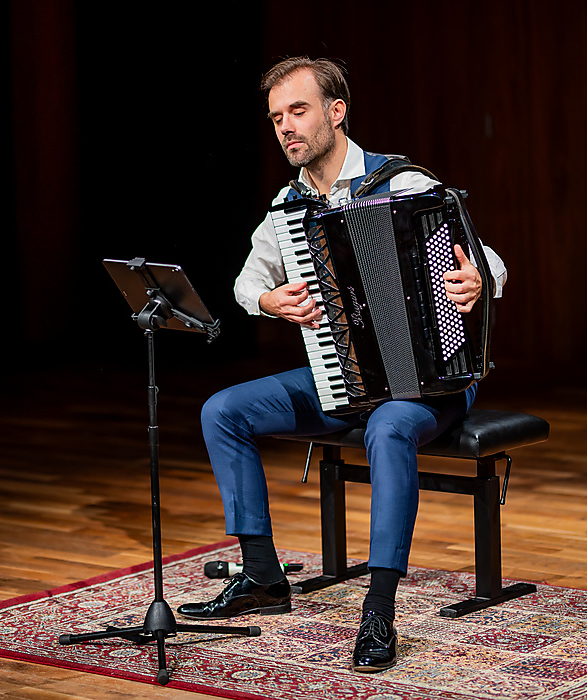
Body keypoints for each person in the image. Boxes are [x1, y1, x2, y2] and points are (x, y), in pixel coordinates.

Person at [178, 57, 507, 673]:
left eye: (298, 111)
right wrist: (271, 301)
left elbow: (489, 260)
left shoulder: (402, 183)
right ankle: (262, 576)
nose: (285, 128)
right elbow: (247, 285)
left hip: (428, 380)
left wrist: (474, 279)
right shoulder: (287, 209)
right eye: (276, 118)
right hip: (344, 375)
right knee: (222, 411)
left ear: (337, 112)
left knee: (388, 426)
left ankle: (379, 606)